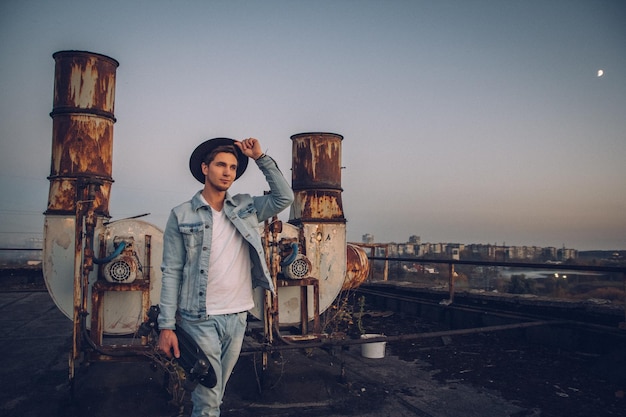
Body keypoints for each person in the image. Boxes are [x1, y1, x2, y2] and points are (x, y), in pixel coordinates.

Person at [157, 137, 294, 416]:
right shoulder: (182, 215)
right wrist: (166, 326)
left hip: (238, 316)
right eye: (221, 165)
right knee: (208, 402)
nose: (227, 171)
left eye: (232, 167)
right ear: (205, 168)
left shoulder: (246, 208)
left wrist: (259, 157)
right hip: (200, 317)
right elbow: (171, 272)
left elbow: (285, 197)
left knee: (215, 396)